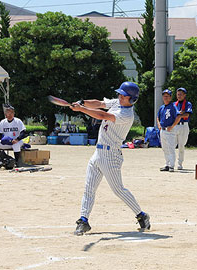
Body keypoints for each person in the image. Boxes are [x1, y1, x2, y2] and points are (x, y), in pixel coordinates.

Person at [69, 81, 150, 236]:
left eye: (123, 95)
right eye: (119, 93)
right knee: (89, 188)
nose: (119, 96)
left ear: (131, 99)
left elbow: (102, 115)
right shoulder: (117, 103)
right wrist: (82, 102)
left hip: (111, 155)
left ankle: (141, 215)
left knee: (118, 190)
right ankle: (83, 220)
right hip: (98, 153)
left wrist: (81, 110)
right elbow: (99, 104)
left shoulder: (126, 115)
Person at [157, 89, 178, 172]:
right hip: (162, 130)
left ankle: (172, 165)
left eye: (167, 96)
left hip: (170, 130)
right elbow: (158, 117)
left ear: (170, 97)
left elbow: (178, 117)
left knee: (171, 148)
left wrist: (172, 126)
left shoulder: (173, 106)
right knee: (165, 148)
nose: (165, 97)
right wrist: (158, 124)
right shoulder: (162, 107)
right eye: (164, 96)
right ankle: (167, 164)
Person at [173, 87, 192, 170]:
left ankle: (180, 163)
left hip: (183, 125)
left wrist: (178, 115)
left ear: (184, 95)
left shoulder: (188, 104)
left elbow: (187, 114)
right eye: (178, 94)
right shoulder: (174, 104)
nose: (179, 96)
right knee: (172, 145)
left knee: (181, 145)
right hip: (175, 125)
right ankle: (171, 162)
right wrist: (180, 114)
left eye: (181, 94)